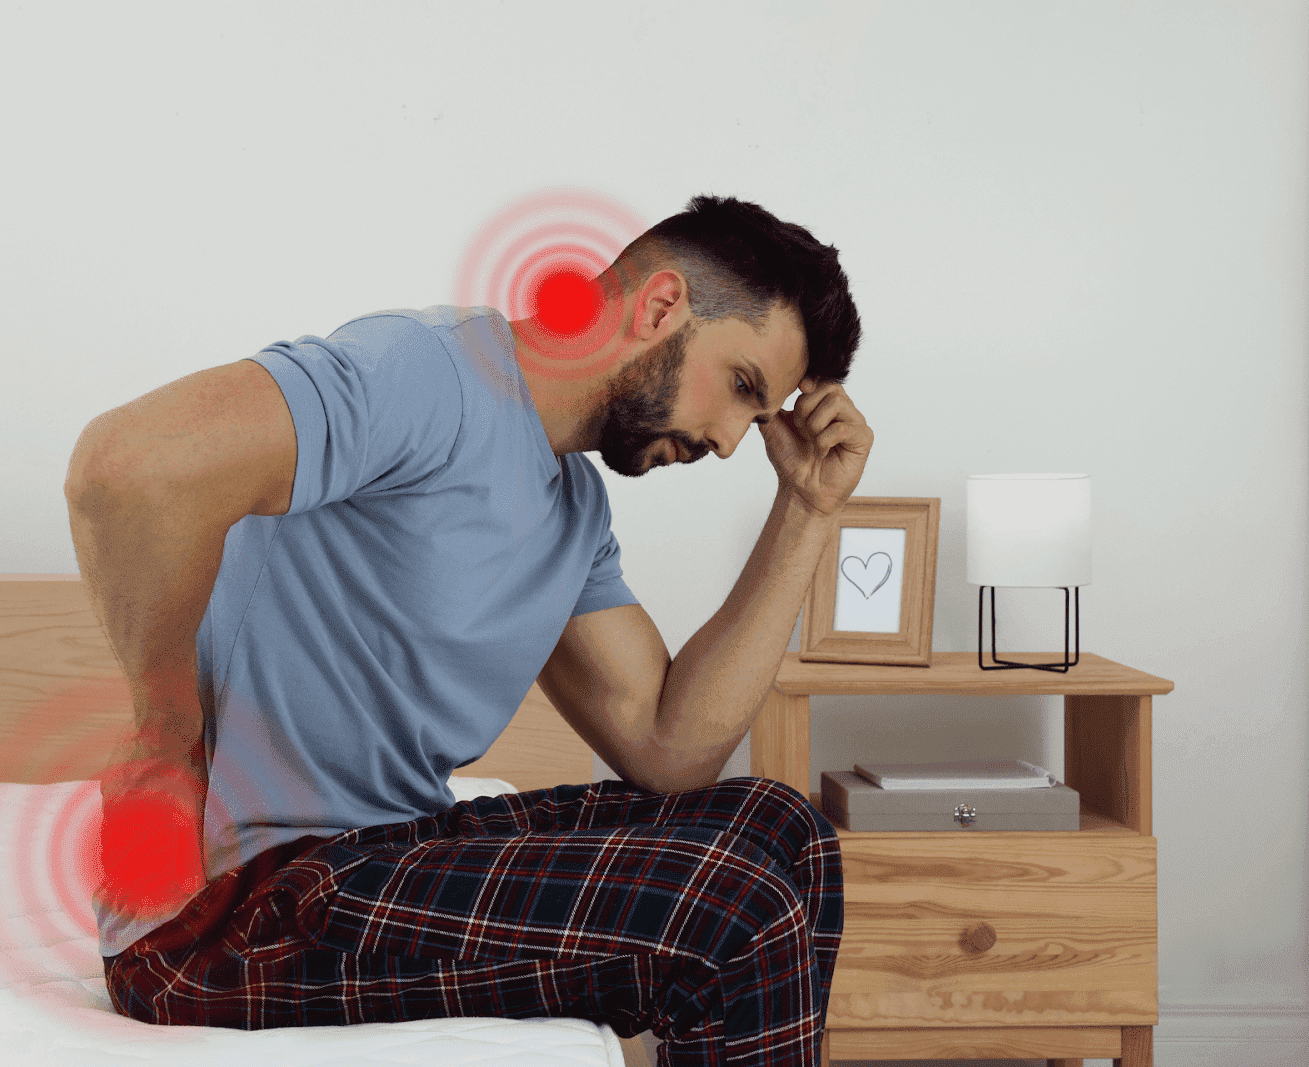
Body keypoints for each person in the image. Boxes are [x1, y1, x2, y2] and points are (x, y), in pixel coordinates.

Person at [64, 193, 873, 1066]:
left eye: (758, 417)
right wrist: (165, 729)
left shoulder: (572, 509)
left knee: (783, 829)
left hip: (375, 859)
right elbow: (128, 467)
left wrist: (808, 506)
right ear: (661, 306)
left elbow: (669, 748)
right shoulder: (431, 375)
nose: (730, 441)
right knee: (736, 900)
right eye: (742, 387)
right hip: (221, 908)